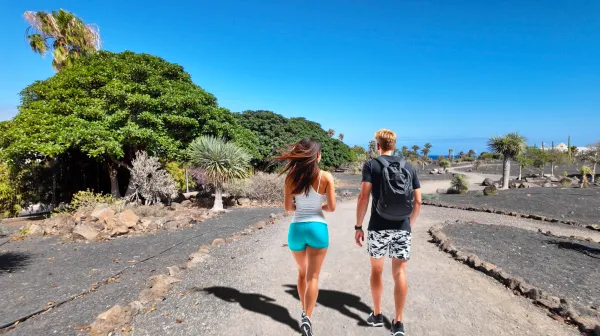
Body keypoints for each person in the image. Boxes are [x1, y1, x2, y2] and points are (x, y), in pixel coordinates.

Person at [355, 129, 422, 336]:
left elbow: (363, 198)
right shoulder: (409, 167)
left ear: (378, 146)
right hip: (402, 227)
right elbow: (418, 201)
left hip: (378, 226)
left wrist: (358, 227)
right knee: (400, 273)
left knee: (376, 271)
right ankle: (398, 322)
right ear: (394, 145)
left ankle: (376, 315)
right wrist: (408, 224)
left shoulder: (371, 165)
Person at [275, 137, 336, 336]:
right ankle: (307, 317)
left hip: (296, 230)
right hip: (318, 228)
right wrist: (319, 207)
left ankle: (303, 310)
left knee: (302, 274)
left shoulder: (291, 178)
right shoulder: (326, 177)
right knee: (314, 277)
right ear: (317, 156)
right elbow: (332, 207)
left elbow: (287, 208)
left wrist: (300, 206)